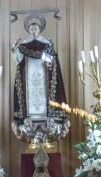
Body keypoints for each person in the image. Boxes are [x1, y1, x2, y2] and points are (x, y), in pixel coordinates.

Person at [11, 13, 68, 142]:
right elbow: (18, 61)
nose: (34, 31)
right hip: (28, 79)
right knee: (30, 95)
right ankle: (28, 118)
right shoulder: (24, 45)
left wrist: (49, 62)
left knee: (43, 93)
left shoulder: (47, 44)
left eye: (35, 29)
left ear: (39, 29)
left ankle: (47, 116)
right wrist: (14, 50)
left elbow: (52, 64)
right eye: (31, 29)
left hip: (43, 77)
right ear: (29, 30)